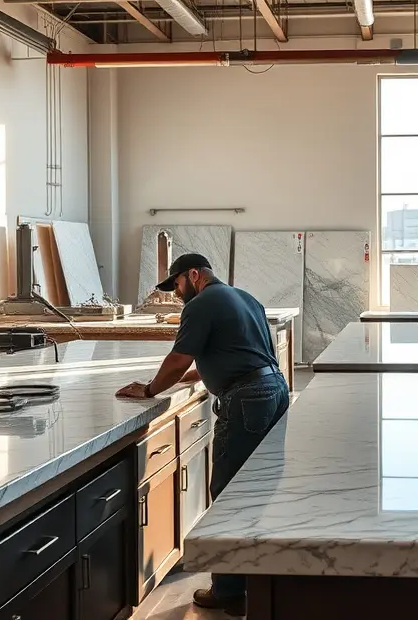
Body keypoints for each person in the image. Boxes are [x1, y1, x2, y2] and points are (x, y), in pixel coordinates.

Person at [116, 253, 287, 617]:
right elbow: (244, 354)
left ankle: (228, 591)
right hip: (274, 390)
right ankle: (261, 585)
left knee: (228, 495)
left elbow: (180, 358)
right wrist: (195, 377)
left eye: (177, 284)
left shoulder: (202, 303)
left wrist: (149, 389)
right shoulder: (245, 298)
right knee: (259, 489)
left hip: (246, 399)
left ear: (194, 275)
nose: (177, 294)